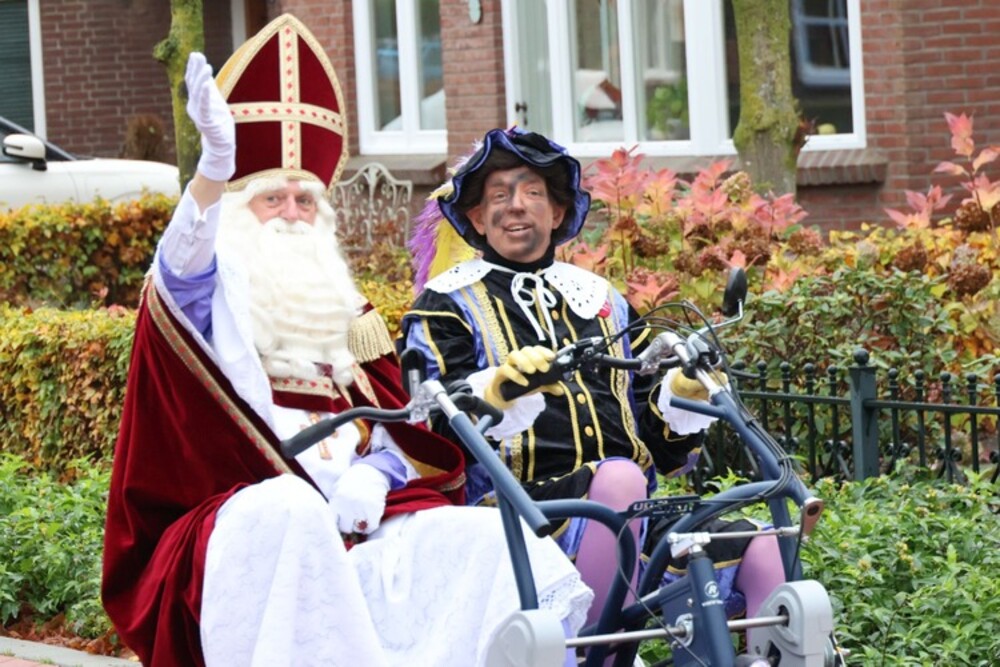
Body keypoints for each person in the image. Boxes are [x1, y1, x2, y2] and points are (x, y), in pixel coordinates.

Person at [101, 16, 591, 667]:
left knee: (487, 539)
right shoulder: (210, 293)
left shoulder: (343, 309)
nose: (293, 215)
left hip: (360, 524)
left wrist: (375, 473)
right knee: (291, 510)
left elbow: (400, 423)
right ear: (238, 213)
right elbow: (179, 270)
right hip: (239, 528)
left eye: (306, 201)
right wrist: (213, 173)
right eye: (273, 199)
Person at [401, 126, 785, 630]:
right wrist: (495, 392)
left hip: (633, 511)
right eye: (498, 196)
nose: (516, 206)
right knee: (620, 477)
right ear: (476, 217)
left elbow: (658, 442)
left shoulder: (602, 298)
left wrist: (678, 393)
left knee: (759, 544)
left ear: (558, 213)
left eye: (532, 193)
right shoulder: (445, 302)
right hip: (518, 519)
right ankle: (599, 655)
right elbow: (428, 428)